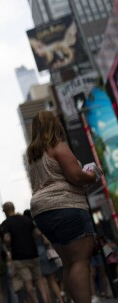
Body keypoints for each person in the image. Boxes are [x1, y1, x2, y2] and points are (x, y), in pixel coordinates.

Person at [26, 110, 98, 303]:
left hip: (42, 212)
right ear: (54, 125)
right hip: (66, 205)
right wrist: (91, 175)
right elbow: (75, 176)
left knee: (68, 264)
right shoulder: (58, 145)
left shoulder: (33, 155)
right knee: (80, 261)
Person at [0, 202, 50, 303]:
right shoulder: (26, 219)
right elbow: (37, 233)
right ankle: (46, 300)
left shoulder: (6, 224)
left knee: (28, 284)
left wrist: (8, 246)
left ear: (5, 211)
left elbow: (7, 239)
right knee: (39, 280)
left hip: (19, 257)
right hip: (33, 254)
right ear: (13, 208)